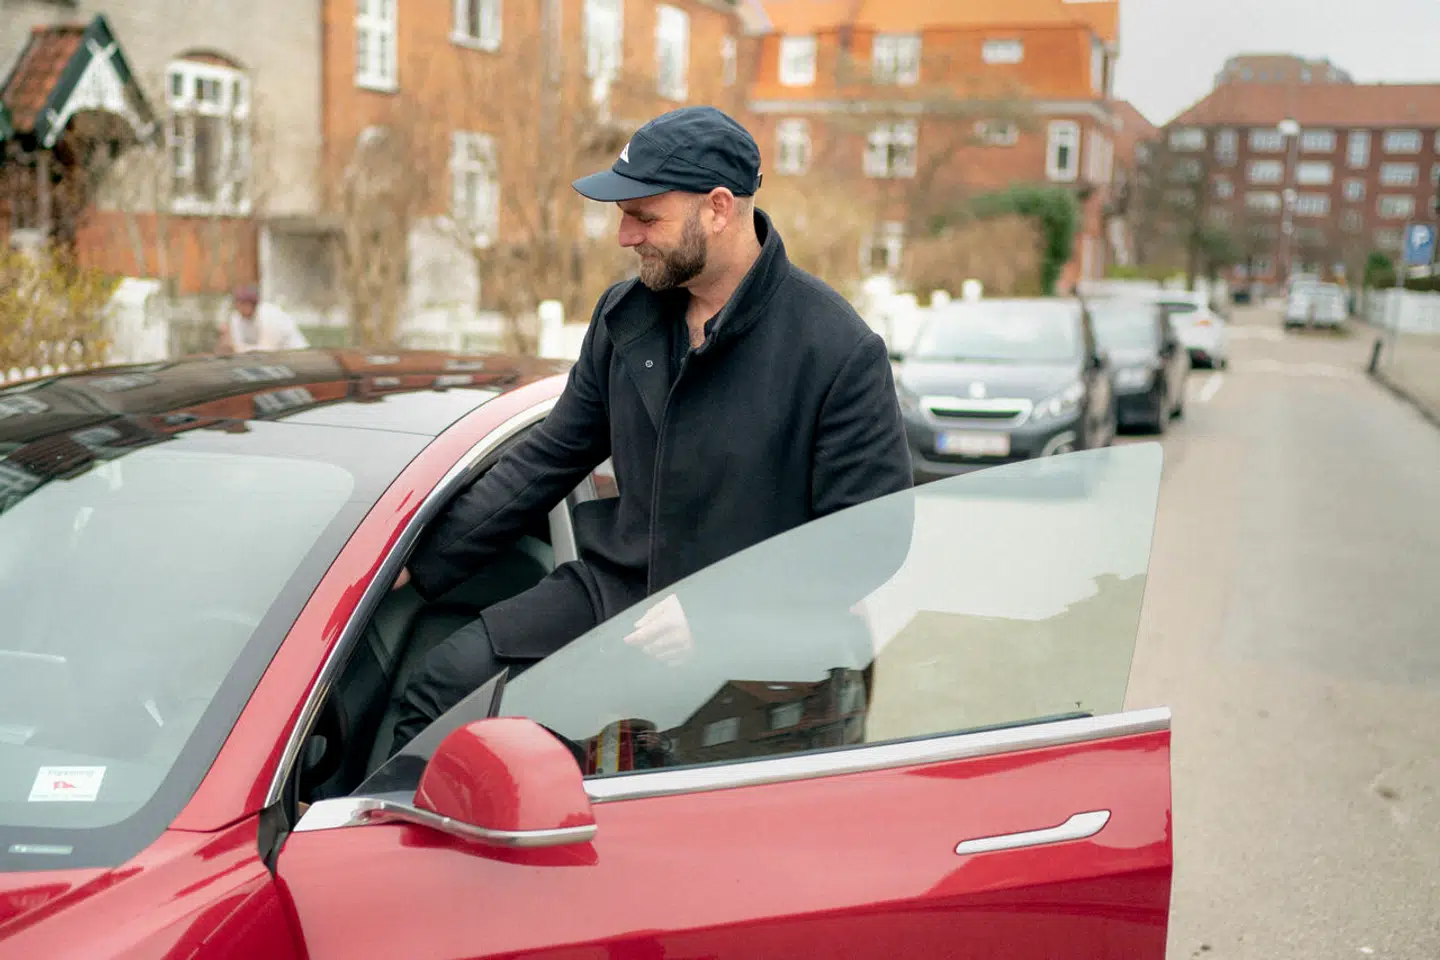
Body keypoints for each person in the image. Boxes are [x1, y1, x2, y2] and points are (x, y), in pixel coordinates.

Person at [384, 106, 912, 755]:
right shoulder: (624, 316)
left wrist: (716, 615)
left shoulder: (835, 350)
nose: (624, 235)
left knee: (676, 792)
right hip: (616, 595)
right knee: (446, 687)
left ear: (718, 209)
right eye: (622, 214)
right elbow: (550, 455)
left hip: (756, 638)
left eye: (644, 216)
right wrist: (417, 561)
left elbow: (869, 543)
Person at [217, 284, 309, 354]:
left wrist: (238, 348)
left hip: (295, 354)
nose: (239, 308)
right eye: (237, 304)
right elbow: (237, 347)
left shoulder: (270, 315)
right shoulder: (236, 317)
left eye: (243, 304)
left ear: (253, 304)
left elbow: (267, 350)